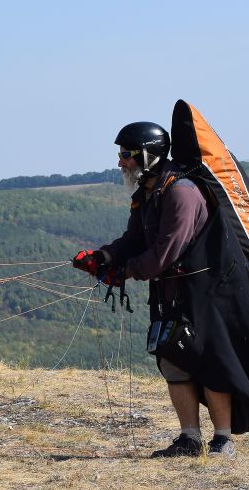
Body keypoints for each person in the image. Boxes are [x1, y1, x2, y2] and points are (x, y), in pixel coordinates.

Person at [73, 121, 239, 458]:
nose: (121, 161)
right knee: (174, 360)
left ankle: (223, 440)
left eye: (127, 154)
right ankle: (189, 439)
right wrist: (103, 257)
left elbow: (165, 253)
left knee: (210, 362)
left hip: (202, 294)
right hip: (169, 293)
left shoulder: (181, 193)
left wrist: (123, 272)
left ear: (149, 155)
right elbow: (134, 240)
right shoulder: (148, 193)